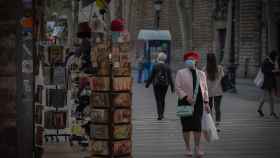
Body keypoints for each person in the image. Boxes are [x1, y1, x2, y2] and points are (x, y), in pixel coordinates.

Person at [175, 51, 210, 157]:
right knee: (186, 126)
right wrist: (186, 97)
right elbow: (177, 87)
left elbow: (205, 89)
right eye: (188, 59)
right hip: (184, 102)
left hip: (198, 103)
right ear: (186, 61)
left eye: (192, 59)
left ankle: (197, 147)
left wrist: (206, 102)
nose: (190, 61)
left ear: (196, 61)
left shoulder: (201, 73)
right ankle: (187, 148)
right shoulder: (180, 72)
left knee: (197, 126)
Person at [145, 52, 174, 120]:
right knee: (162, 99)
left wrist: (147, 84)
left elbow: (151, 76)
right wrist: (172, 87)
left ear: (158, 58)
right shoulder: (167, 66)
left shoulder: (155, 66)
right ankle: (162, 114)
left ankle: (159, 115)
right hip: (165, 85)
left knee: (158, 99)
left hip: (156, 85)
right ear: (165, 59)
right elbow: (170, 77)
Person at [205, 53, 224, 132]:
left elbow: (203, 80)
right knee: (217, 108)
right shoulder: (219, 68)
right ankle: (217, 125)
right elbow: (223, 76)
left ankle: (210, 124)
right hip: (218, 91)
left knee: (209, 108)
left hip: (208, 91)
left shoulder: (205, 69)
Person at [257, 51, 279, 119]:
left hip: (272, 82)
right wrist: (273, 71)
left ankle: (272, 112)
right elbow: (264, 70)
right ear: (273, 56)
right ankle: (259, 109)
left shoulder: (274, 62)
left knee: (272, 98)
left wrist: (276, 69)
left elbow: (276, 72)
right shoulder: (266, 61)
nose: (276, 57)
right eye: (276, 56)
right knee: (264, 97)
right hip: (266, 82)